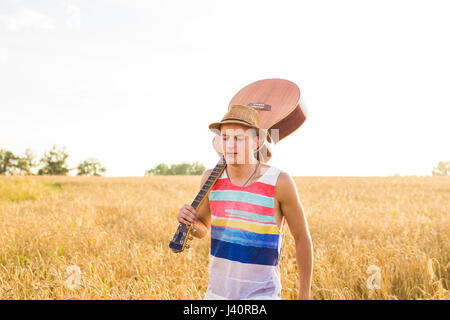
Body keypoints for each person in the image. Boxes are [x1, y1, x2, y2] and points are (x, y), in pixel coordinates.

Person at [177, 104, 313, 300]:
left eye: (239, 138)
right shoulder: (211, 178)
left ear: (256, 141)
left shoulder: (279, 182)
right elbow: (203, 228)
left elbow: (302, 237)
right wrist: (189, 222)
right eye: (225, 138)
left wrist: (304, 294)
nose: (230, 145)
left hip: (262, 296)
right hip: (216, 295)